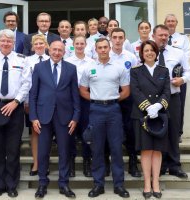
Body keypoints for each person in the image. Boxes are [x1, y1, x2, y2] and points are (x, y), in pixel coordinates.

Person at [0, 29, 31, 198]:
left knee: (13, 149)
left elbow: (26, 84)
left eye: (9, 41)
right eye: (3, 40)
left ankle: (11, 185)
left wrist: (16, 102)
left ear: (14, 43)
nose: (6, 43)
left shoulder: (21, 60)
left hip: (15, 109)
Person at [79, 38, 130, 198]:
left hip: (114, 109)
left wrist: (112, 99)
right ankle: (98, 185)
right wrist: (97, 98)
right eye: (99, 47)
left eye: (105, 47)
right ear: (95, 49)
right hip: (95, 110)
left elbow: (126, 91)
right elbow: (83, 90)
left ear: (109, 48)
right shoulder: (89, 68)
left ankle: (119, 185)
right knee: (97, 148)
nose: (102, 50)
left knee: (116, 148)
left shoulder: (119, 68)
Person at [29, 41, 80, 199]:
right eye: (54, 49)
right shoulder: (39, 67)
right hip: (43, 116)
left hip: (65, 116)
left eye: (60, 50)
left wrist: (76, 117)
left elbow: (75, 95)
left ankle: (63, 183)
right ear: (48, 50)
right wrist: (33, 117)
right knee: (43, 152)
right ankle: (42, 183)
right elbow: (33, 94)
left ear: (64, 52)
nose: (57, 52)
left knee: (64, 151)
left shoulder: (71, 69)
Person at [130, 40, 170, 199]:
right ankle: (147, 183)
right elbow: (135, 90)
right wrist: (148, 107)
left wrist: (158, 107)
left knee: (157, 150)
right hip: (142, 115)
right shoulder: (136, 71)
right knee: (146, 149)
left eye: (152, 50)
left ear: (156, 52)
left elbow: (167, 92)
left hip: (159, 116)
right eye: (146, 50)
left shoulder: (164, 70)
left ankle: (156, 183)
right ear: (142, 53)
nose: (149, 53)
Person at [152, 25, 190, 179]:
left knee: (174, 131)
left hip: (173, 97)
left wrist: (182, 79)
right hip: (155, 99)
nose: (163, 38)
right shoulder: (148, 52)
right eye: (160, 35)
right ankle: (160, 166)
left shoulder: (178, 53)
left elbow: (189, 72)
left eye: (165, 35)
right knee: (158, 132)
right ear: (153, 35)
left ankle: (175, 166)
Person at [109, 28, 141, 178]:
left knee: (130, 130)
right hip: (109, 96)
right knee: (108, 130)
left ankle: (133, 162)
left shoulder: (131, 57)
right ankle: (106, 161)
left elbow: (135, 77)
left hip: (128, 97)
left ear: (124, 39)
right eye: (114, 37)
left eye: (120, 37)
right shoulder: (104, 55)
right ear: (110, 38)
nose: (117, 40)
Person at [65, 35, 95, 177]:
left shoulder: (91, 62)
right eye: (76, 43)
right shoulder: (67, 61)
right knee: (70, 130)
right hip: (70, 100)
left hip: (86, 99)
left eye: (82, 43)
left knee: (86, 131)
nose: (79, 46)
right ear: (73, 45)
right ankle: (70, 161)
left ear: (86, 45)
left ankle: (87, 161)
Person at [24, 34, 49, 176]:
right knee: (35, 132)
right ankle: (36, 163)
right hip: (33, 100)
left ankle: (45, 163)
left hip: (48, 101)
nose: (39, 46)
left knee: (47, 132)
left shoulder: (51, 58)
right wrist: (27, 101)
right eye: (36, 44)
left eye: (41, 43)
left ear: (46, 45)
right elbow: (26, 82)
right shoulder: (27, 61)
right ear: (33, 46)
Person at [164, 14, 190, 143]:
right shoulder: (161, 39)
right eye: (168, 21)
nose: (170, 23)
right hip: (164, 79)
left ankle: (178, 132)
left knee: (179, 105)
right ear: (165, 23)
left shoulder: (183, 38)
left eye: (173, 21)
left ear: (176, 23)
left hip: (179, 78)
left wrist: (180, 77)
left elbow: (186, 56)